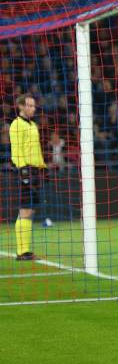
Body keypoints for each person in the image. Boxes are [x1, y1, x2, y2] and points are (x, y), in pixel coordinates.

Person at [9, 95, 47, 260]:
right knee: (25, 210)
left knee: (29, 210)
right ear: (21, 107)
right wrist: (23, 172)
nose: (34, 108)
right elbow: (16, 150)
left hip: (35, 171)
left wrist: (42, 167)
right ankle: (22, 252)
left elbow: (35, 149)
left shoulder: (32, 124)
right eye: (30, 106)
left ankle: (24, 250)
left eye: (34, 106)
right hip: (25, 171)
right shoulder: (16, 124)